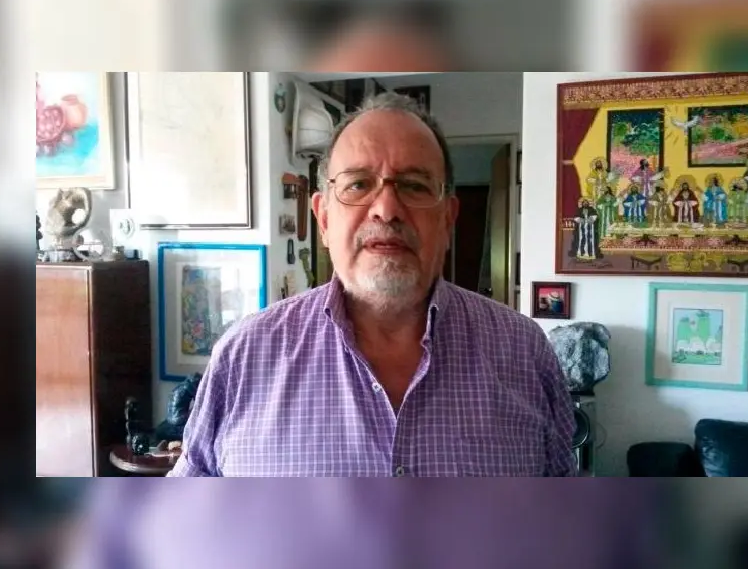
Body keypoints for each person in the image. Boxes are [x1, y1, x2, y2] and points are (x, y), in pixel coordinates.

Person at [167, 93, 575, 477]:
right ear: (323, 218)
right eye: (358, 184)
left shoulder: (526, 353)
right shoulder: (243, 356)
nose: (386, 209)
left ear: (448, 219)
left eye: (414, 185)